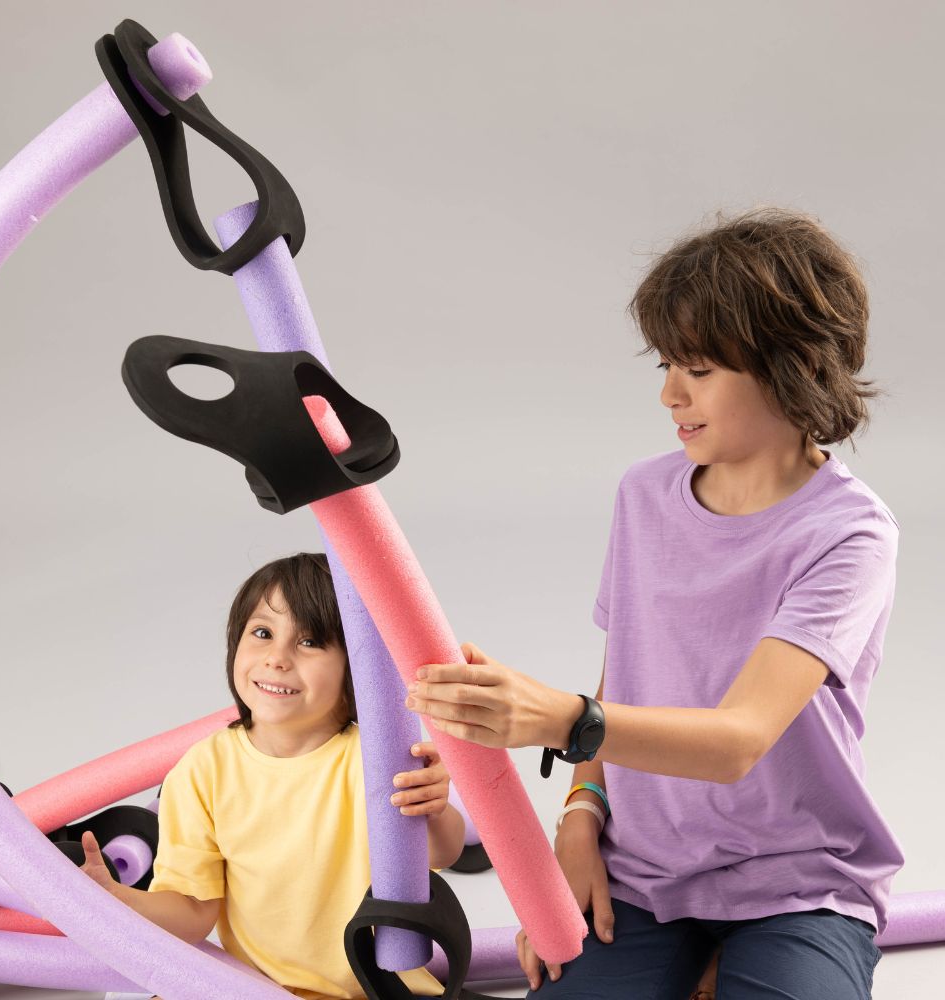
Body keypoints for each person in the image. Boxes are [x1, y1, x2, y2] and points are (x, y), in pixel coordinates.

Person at [405, 209, 900, 1000]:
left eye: (698, 369)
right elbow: (624, 680)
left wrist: (557, 718)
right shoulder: (644, 495)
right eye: (668, 364)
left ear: (791, 366)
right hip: (641, 877)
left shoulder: (849, 534)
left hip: (800, 885)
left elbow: (739, 740)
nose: (669, 393)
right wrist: (581, 813)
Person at [83, 552, 464, 1000]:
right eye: (262, 633)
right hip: (253, 989)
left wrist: (433, 810)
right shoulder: (203, 770)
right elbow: (190, 910)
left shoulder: (374, 759)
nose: (277, 658)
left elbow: (441, 851)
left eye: (309, 642)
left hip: (374, 990)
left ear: (357, 668)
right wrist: (119, 900)